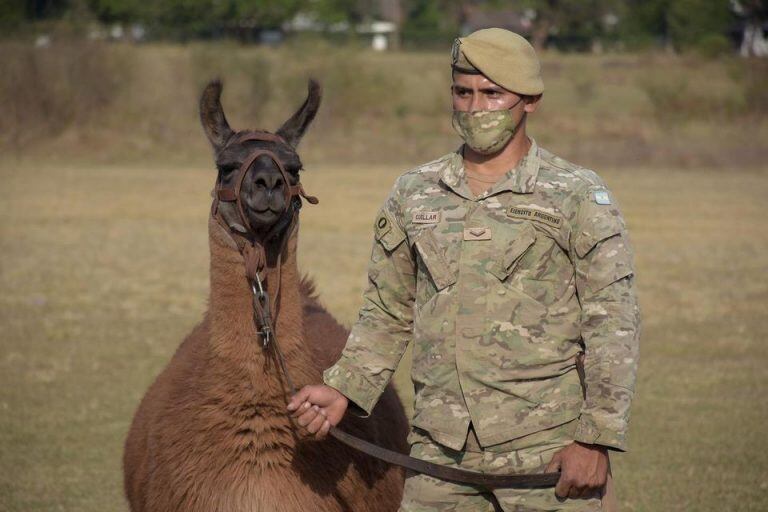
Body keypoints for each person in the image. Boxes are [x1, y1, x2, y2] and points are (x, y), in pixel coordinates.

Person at [287, 28, 640, 511]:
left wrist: (595, 440)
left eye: (493, 94)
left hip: (548, 456)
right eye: (463, 92)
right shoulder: (413, 193)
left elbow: (612, 327)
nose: (475, 108)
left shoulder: (576, 194)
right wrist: (343, 389)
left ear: (530, 100)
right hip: (440, 457)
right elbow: (387, 312)